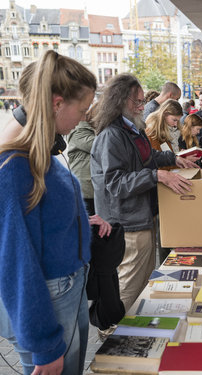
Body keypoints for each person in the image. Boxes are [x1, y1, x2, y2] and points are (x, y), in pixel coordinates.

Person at [0, 50, 97, 375]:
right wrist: (44, 345)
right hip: (51, 300)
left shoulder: (40, 153)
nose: (84, 117)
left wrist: (78, 222)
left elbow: (43, 219)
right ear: (57, 104)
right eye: (82, 109)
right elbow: (17, 262)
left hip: (68, 289)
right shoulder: (14, 168)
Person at [90, 73, 197, 313]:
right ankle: (112, 333)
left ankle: (128, 328)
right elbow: (115, 183)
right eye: (136, 102)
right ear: (118, 101)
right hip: (126, 223)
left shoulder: (133, 129)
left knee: (142, 282)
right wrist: (157, 175)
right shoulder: (111, 135)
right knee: (128, 285)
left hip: (143, 217)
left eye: (141, 100)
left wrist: (173, 159)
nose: (141, 106)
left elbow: (146, 160)